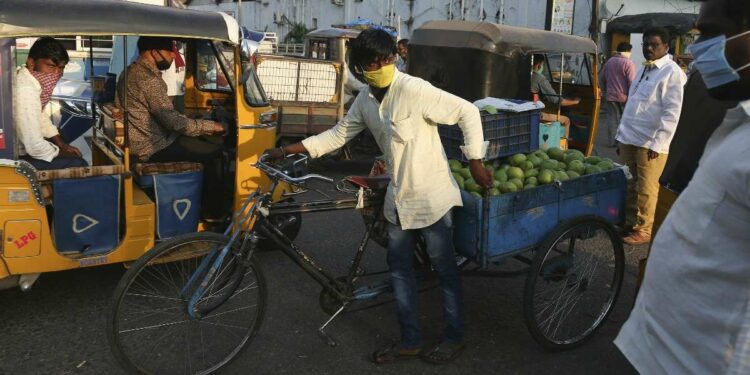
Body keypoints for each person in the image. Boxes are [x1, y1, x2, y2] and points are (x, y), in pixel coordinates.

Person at [264, 29, 492, 365]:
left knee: (444, 270)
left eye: (387, 59)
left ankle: (454, 337)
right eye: (374, 61)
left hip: (431, 197)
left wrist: (474, 161)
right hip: (398, 201)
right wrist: (286, 150)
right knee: (399, 271)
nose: (383, 65)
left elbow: (467, 112)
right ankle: (410, 340)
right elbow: (338, 135)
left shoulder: (414, 90)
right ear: (359, 67)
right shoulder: (365, 101)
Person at [615, 1, 750, 373]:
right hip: (659, 352)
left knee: (646, 191)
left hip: (699, 363)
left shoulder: (676, 76)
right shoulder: (738, 117)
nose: (695, 50)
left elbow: (669, 114)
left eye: (709, 34)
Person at [116, 36, 226, 217]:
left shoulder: (128, 72)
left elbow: (163, 115)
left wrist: (195, 122)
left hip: (142, 141)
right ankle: (213, 214)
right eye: (170, 52)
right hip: (152, 148)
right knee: (217, 154)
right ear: (154, 52)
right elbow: (174, 123)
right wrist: (212, 126)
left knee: (197, 139)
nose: (174, 57)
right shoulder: (148, 80)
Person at [614, 27, 687, 245]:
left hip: (650, 143)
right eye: (645, 44)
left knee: (647, 188)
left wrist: (659, 143)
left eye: (654, 45)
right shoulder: (643, 70)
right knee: (628, 183)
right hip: (629, 138)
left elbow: (672, 113)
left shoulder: (672, 73)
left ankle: (644, 229)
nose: (648, 48)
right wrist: (620, 136)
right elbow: (632, 106)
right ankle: (629, 222)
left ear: (666, 46)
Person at [13, 37, 87, 170]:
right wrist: (63, 153)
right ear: (31, 63)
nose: (57, 74)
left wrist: (61, 144)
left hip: (24, 150)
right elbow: (34, 146)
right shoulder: (26, 89)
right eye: (51, 66)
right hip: (17, 157)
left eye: (61, 68)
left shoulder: (31, 81)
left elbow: (39, 114)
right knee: (78, 164)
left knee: (60, 137)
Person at [530, 54, 580, 139]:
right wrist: (576, 102)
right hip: (535, 113)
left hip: (526, 108)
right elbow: (557, 101)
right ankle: (564, 147)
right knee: (566, 120)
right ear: (539, 64)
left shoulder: (522, 74)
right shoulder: (539, 78)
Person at [600, 42, 637, 147]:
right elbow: (632, 82)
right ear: (627, 51)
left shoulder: (609, 62)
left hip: (610, 96)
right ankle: (621, 142)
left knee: (611, 119)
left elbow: (602, 78)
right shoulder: (629, 63)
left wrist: (605, 91)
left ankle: (612, 142)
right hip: (624, 97)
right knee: (624, 120)